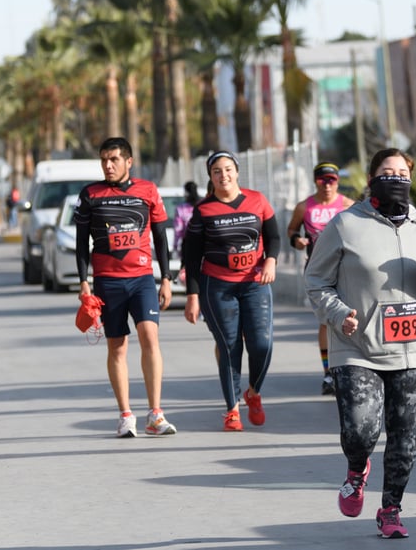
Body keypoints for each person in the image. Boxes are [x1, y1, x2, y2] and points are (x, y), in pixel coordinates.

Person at [304, 148, 416, 538]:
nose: (395, 179)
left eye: (403, 173)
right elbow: (316, 281)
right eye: (387, 172)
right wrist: (339, 314)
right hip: (356, 346)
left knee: (405, 435)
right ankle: (357, 470)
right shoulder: (345, 224)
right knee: (360, 430)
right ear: (371, 178)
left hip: (412, 350)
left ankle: (391, 508)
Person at [74, 137, 177, 438]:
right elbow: (82, 243)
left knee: (150, 337)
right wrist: (84, 282)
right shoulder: (90, 194)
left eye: (114, 159)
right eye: (104, 159)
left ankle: (155, 414)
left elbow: (161, 237)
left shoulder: (147, 191)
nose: (108, 165)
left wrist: (167, 278)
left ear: (129, 161)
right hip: (107, 282)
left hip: (142, 279)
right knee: (117, 346)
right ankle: (125, 415)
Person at [183, 151, 280, 432]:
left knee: (262, 344)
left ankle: (253, 391)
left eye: (227, 170)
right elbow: (191, 256)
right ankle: (232, 408)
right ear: (210, 177)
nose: (223, 175)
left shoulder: (257, 200)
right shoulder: (203, 210)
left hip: (255, 283)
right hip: (218, 285)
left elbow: (273, 236)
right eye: (216, 171)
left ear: (237, 172)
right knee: (229, 346)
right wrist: (192, 296)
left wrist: (270, 260)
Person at [286, 161, 354, 395]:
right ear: (315, 182)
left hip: (346, 269)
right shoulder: (304, 207)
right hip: (318, 272)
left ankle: (352, 369)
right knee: (326, 320)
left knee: (351, 317)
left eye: (332, 180)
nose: (327, 185)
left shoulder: (348, 205)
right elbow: (292, 231)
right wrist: (298, 241)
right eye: (322, 180)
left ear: (337, 182)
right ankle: (329, 374)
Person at [173, 180, 200, 259]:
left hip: (187, 243)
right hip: (202, 242)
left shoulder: (181, 208)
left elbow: (178, 229)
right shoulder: (201, 206)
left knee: (186, 268)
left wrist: (175, 245)